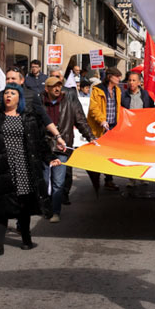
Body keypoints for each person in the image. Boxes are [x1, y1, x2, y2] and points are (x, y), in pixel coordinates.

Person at [0, 84, 61, 258]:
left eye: (12, 93)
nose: (8, 96)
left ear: (18, 98)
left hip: (23, 166)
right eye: (6, 93)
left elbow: (39, 142)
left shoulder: (29, 118)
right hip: (0, 167)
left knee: (23, 204)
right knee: (0, 206)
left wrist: (50, 157)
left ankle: (26, 238)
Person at [41, 77, 94, 222]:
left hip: (62, 148)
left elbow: (81, 121)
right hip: (44, 148)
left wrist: (92, 138)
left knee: (58, 183)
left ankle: (55, 212)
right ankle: (46, 207)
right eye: (53, 87)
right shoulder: (39, 103)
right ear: (47, 89)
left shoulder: (69, 103)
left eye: (59, 86)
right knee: (44, 181)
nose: (57, 89)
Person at [88, 67, 123, 190]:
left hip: (113, 126)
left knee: (110, 154)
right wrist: (102, 120)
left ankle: (109, 180)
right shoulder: (97, 90)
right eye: (117, 76)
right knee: (98, 154)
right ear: (109, 77)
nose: (119, 78)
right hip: (100, 127)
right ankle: (96, 178)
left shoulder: (118, 91)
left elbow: (118, 107)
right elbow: (93, 108)